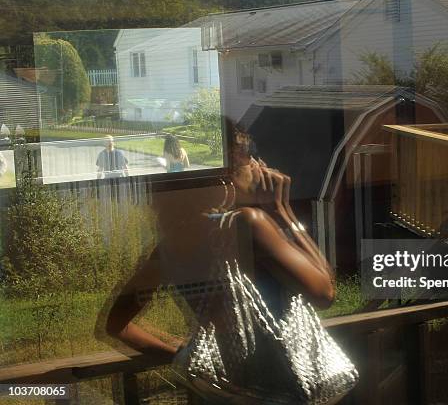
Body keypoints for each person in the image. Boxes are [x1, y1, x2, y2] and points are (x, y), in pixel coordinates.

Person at [102, 126, 335, 401]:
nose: (263, 168)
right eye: (252, 161)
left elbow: (116, 325)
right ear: (228, 179)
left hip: (227, 389)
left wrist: (184, 357)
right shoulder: (248, 224)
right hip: (278, 389)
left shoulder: (169, 246)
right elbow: (325, 293)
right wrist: (282, 210)